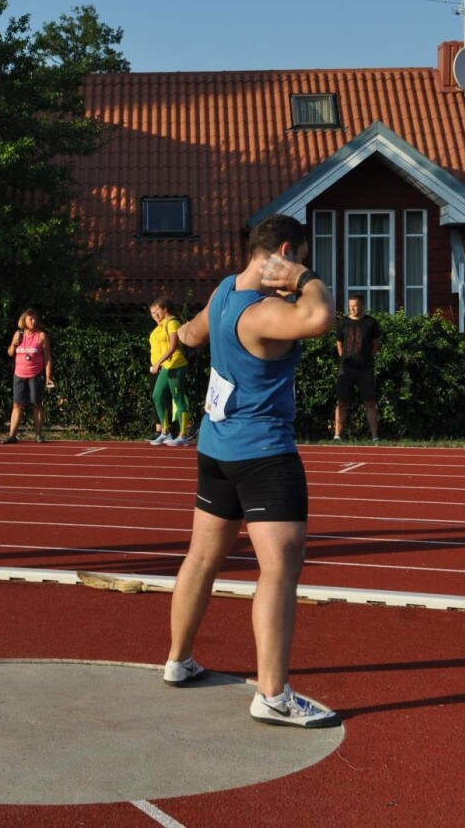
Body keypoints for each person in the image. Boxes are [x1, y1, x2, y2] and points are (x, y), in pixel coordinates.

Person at [163, 214, 341, 728]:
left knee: (201, 557)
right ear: (284, 251)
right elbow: (319, 318)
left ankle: (179, 659)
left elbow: (192, 334)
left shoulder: (222, 293)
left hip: (216, 450)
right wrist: (306, 278)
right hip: (264, 455)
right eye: (300, 256)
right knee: (279, 571)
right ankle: (273, 694)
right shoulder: (262, 314)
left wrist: (177, 342)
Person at [333, 294, 381, 442]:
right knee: (342, 401)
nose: (353, 308)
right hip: (346, 368)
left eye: (355, 305)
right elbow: (339, 344)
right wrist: (344, 358)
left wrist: (365, 359)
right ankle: (337, 436)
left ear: (362, 306)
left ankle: (375, 437)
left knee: (370, 402)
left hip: (365, 368)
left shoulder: (371, 323)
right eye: (350, 306)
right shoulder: (343, 323)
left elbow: (375, 345)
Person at [4, 309, 54, 443]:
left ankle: (38, 434)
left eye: (35, 319)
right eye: (30, 319)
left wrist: (48, 377)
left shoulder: (41, 336)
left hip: (35, 374)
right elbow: (10, 353)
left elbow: (48, 358)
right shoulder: (18, 334)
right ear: (24, 320)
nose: (33, 321)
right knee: (17, 405)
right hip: (19, 374)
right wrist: (14, 345)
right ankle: (12, 435)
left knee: (36, 403)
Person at [147, 297, 191, 447]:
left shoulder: (172, 322)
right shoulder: (162, 324)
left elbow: (173, 347)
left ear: (166, 309)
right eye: (153, 312)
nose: (155, 313)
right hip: (167, 366)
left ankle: (184, 435)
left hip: (176, 364)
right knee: (157, 396)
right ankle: (166, 432)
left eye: (158, 310)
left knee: (178, 399)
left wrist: (158, 363)